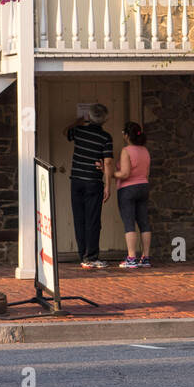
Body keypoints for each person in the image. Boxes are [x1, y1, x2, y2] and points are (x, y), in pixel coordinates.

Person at [65, 104, 114, 269]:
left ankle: (83, 255)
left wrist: (77, 122)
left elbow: (66, 132)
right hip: (93, 181)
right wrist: (108, 185)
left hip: (76, 180)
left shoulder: (79, 131)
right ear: (105, 119)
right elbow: (107, 162)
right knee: (92, 220)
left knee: (79, 219)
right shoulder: (105, 137)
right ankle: (91, 257)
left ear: (89, 116)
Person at [113, 121, 152, 269]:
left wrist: (110, 174)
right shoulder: (145, 150)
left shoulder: (126, 151)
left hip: (128, 189)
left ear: (127, 135)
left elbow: (124, 173)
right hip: (143, 186)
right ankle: (146, 257)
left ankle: (131, 258)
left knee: (129, 223)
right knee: (144, 223)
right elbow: (147, 172)